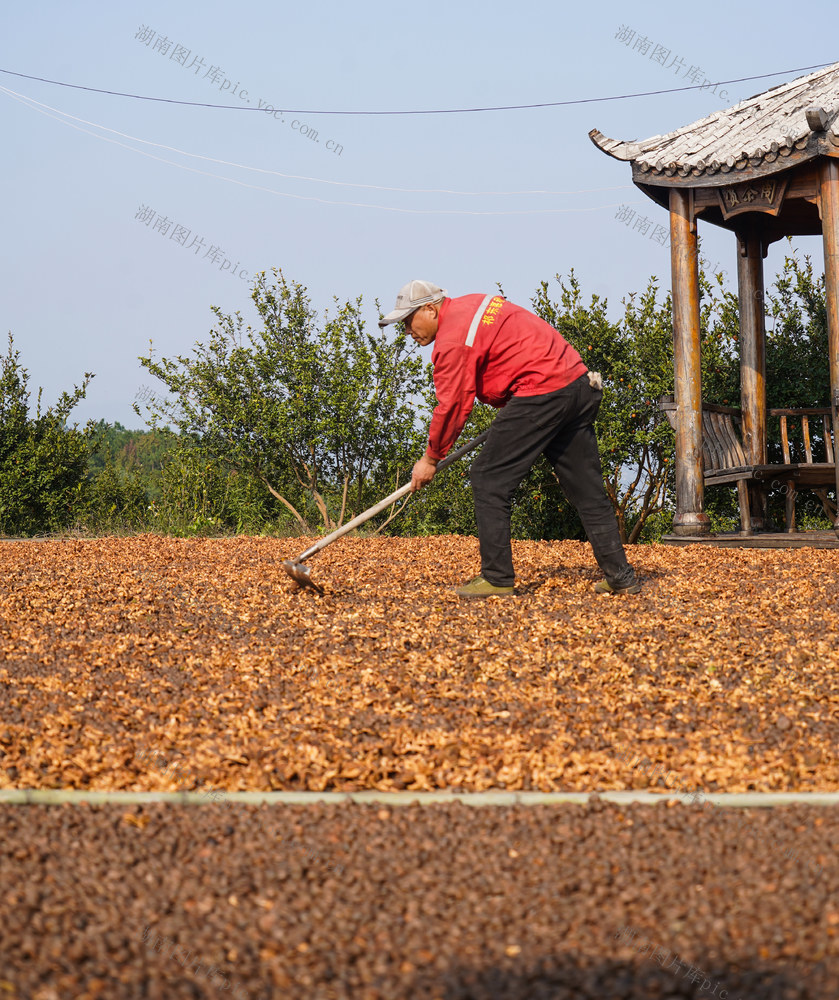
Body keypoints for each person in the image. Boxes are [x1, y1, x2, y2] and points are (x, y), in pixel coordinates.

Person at [379, 279, 640, 599]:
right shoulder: (474, 303)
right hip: (577, 383)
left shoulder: (452, 339)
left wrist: (430, 458)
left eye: (408, 321)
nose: (408, 331)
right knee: (586, 489)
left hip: (542, 390)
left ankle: (497, 578)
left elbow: (453, 406)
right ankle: (621, 577)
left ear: (430, 309)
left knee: (488, 477)